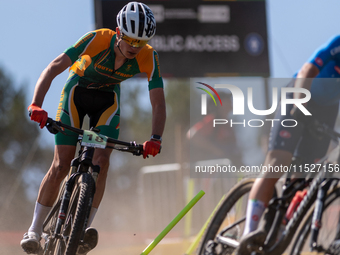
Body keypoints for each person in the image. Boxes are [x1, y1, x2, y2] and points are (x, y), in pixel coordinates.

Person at [20, 2, 166, 254]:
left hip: (107, 100)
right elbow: (54, 66)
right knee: (61, 164)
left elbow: (158, 101)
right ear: (119, 32)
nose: (134, 47)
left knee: (102, 161)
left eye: (140, 42)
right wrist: (36, 104)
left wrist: (155, 138)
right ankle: (34, 228)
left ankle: (82, 229)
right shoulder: (98, 39)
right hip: (76, 92)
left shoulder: (149, 56)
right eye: (130, 39)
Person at [236, 35, 340, 254]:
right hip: (299, 93)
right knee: (278, 162)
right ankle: (248, 232)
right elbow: (307, 70)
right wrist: (299, 108)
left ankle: (281, 228)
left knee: (307, 176)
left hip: (326, 109)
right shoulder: (338, 44)